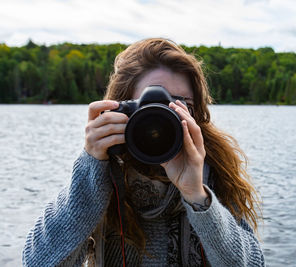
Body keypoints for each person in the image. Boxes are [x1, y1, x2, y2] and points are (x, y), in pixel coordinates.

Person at [23, 38, 265, 266]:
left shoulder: (212, 173)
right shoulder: (102, 176)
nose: (164, 119)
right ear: (120, 110)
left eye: (182, 106)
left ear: (197, 116)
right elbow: (37, 261)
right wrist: (91, 166)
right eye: (151, 106)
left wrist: (197, 195)